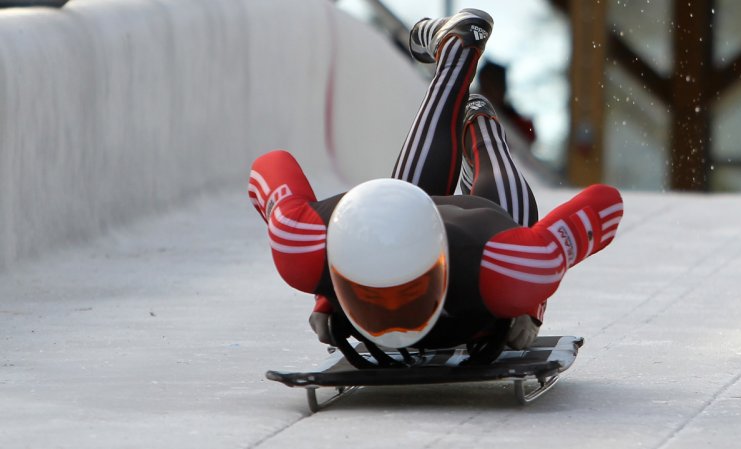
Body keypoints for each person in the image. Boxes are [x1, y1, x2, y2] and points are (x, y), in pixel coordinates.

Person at [248, 9, 623, 352]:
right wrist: (326, 298)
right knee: (411, 201)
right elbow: (604, 203)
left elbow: (607, 203)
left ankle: (481, 122)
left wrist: (531, 302)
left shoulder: (514, 262)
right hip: (404, 218)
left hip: (478, 231)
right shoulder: (302, 242)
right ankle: (460, 62)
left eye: (409, 294)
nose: (394, 317)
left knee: (509, 241)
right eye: (371, 297)